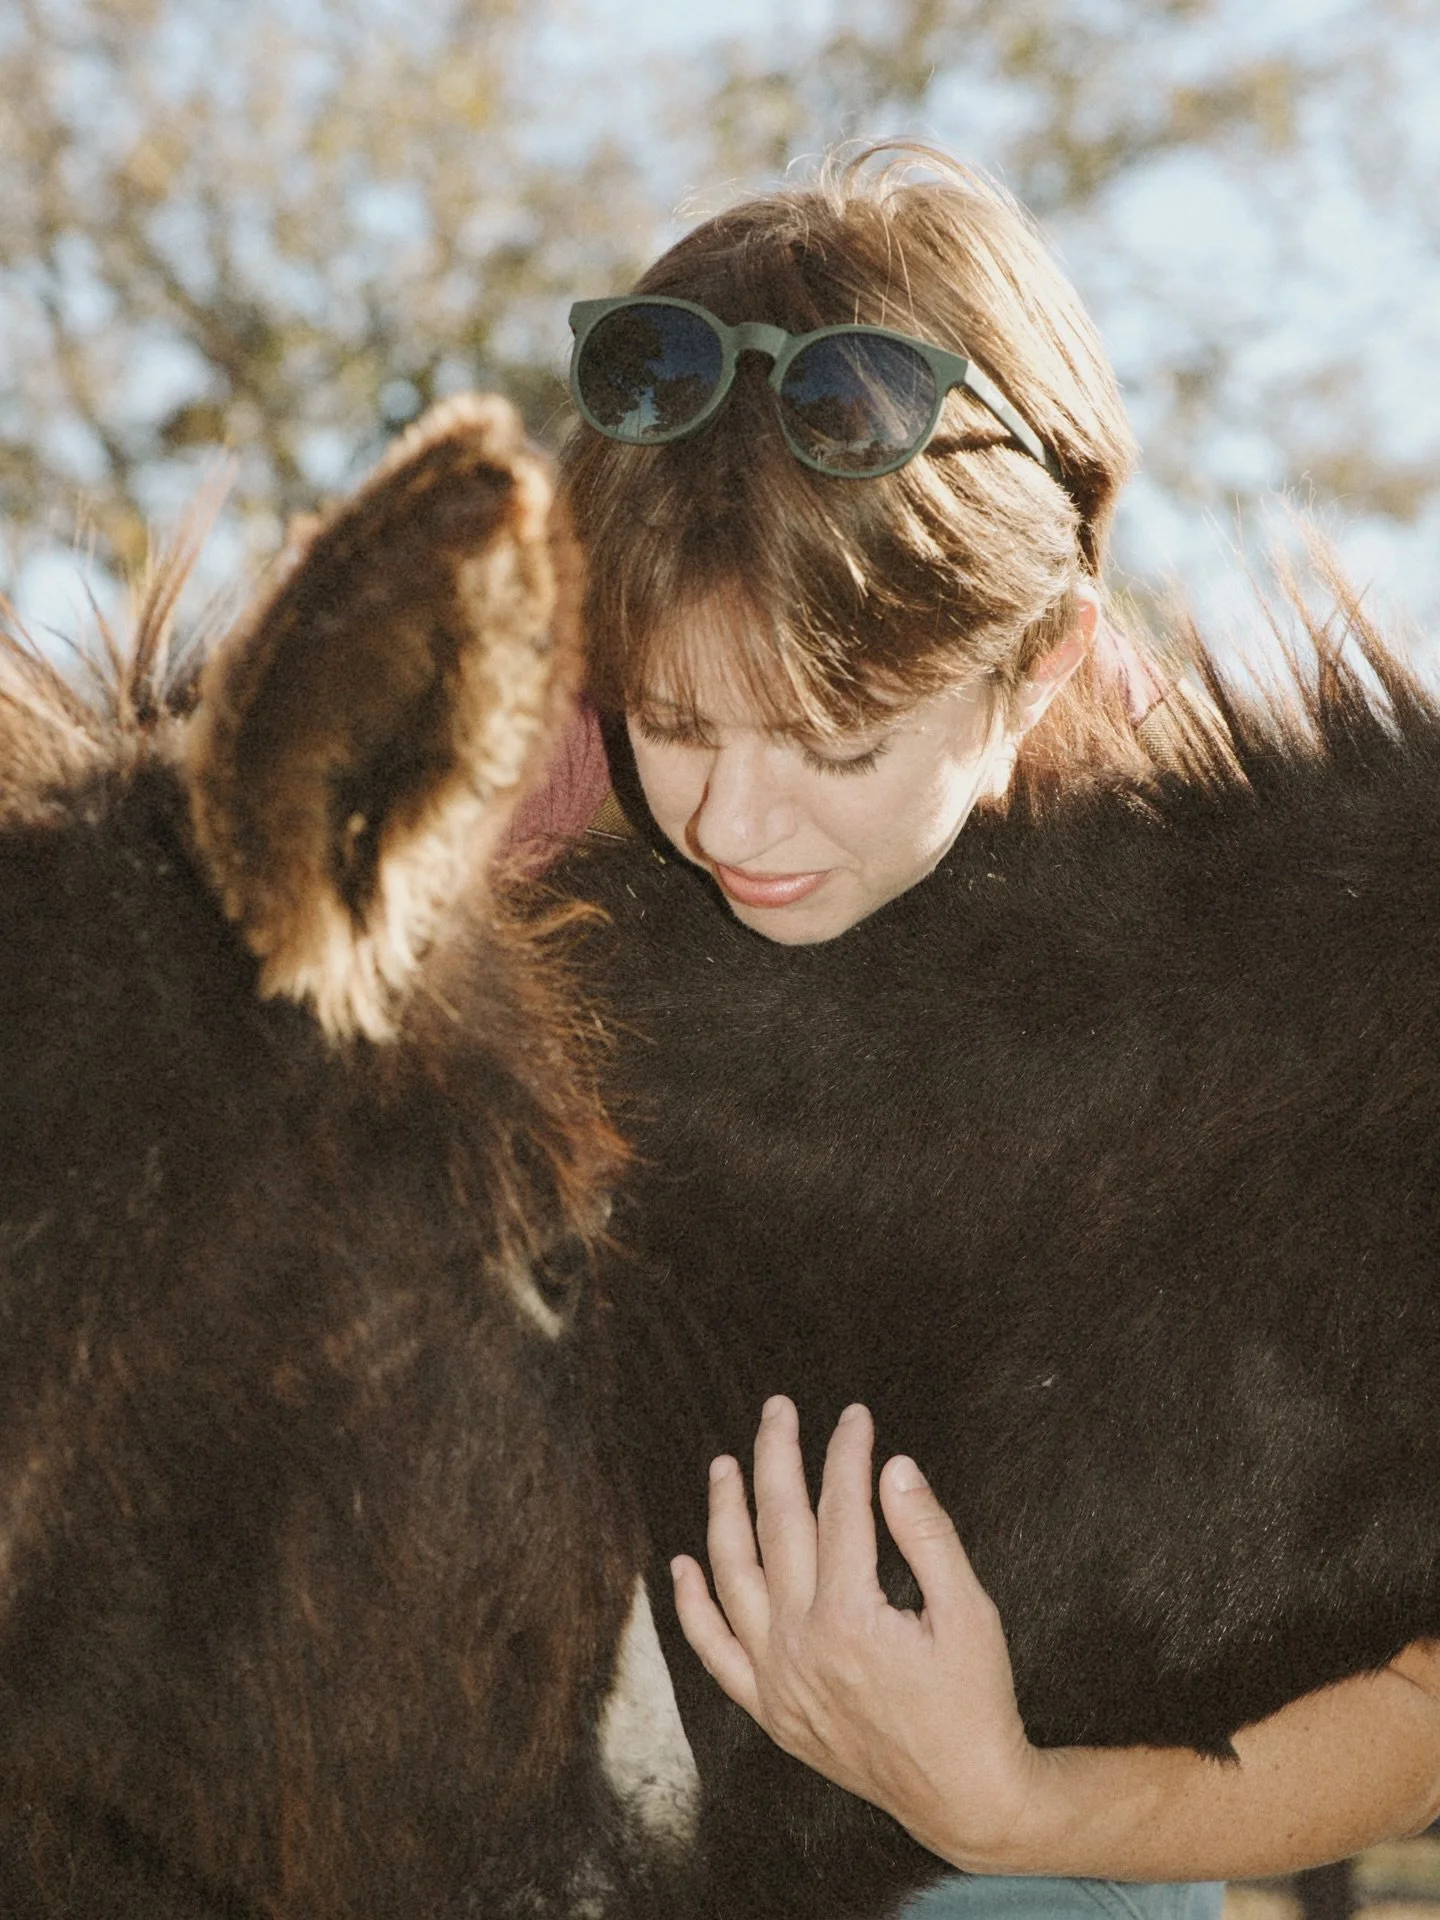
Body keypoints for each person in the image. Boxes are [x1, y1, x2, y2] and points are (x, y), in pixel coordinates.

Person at [547, 142, 1440, 1917]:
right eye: (673, 719)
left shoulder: (1267, 975)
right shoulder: (528, 794)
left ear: (1041, 670)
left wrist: (1018, 1807)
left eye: (837, 746)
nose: (735, 821)